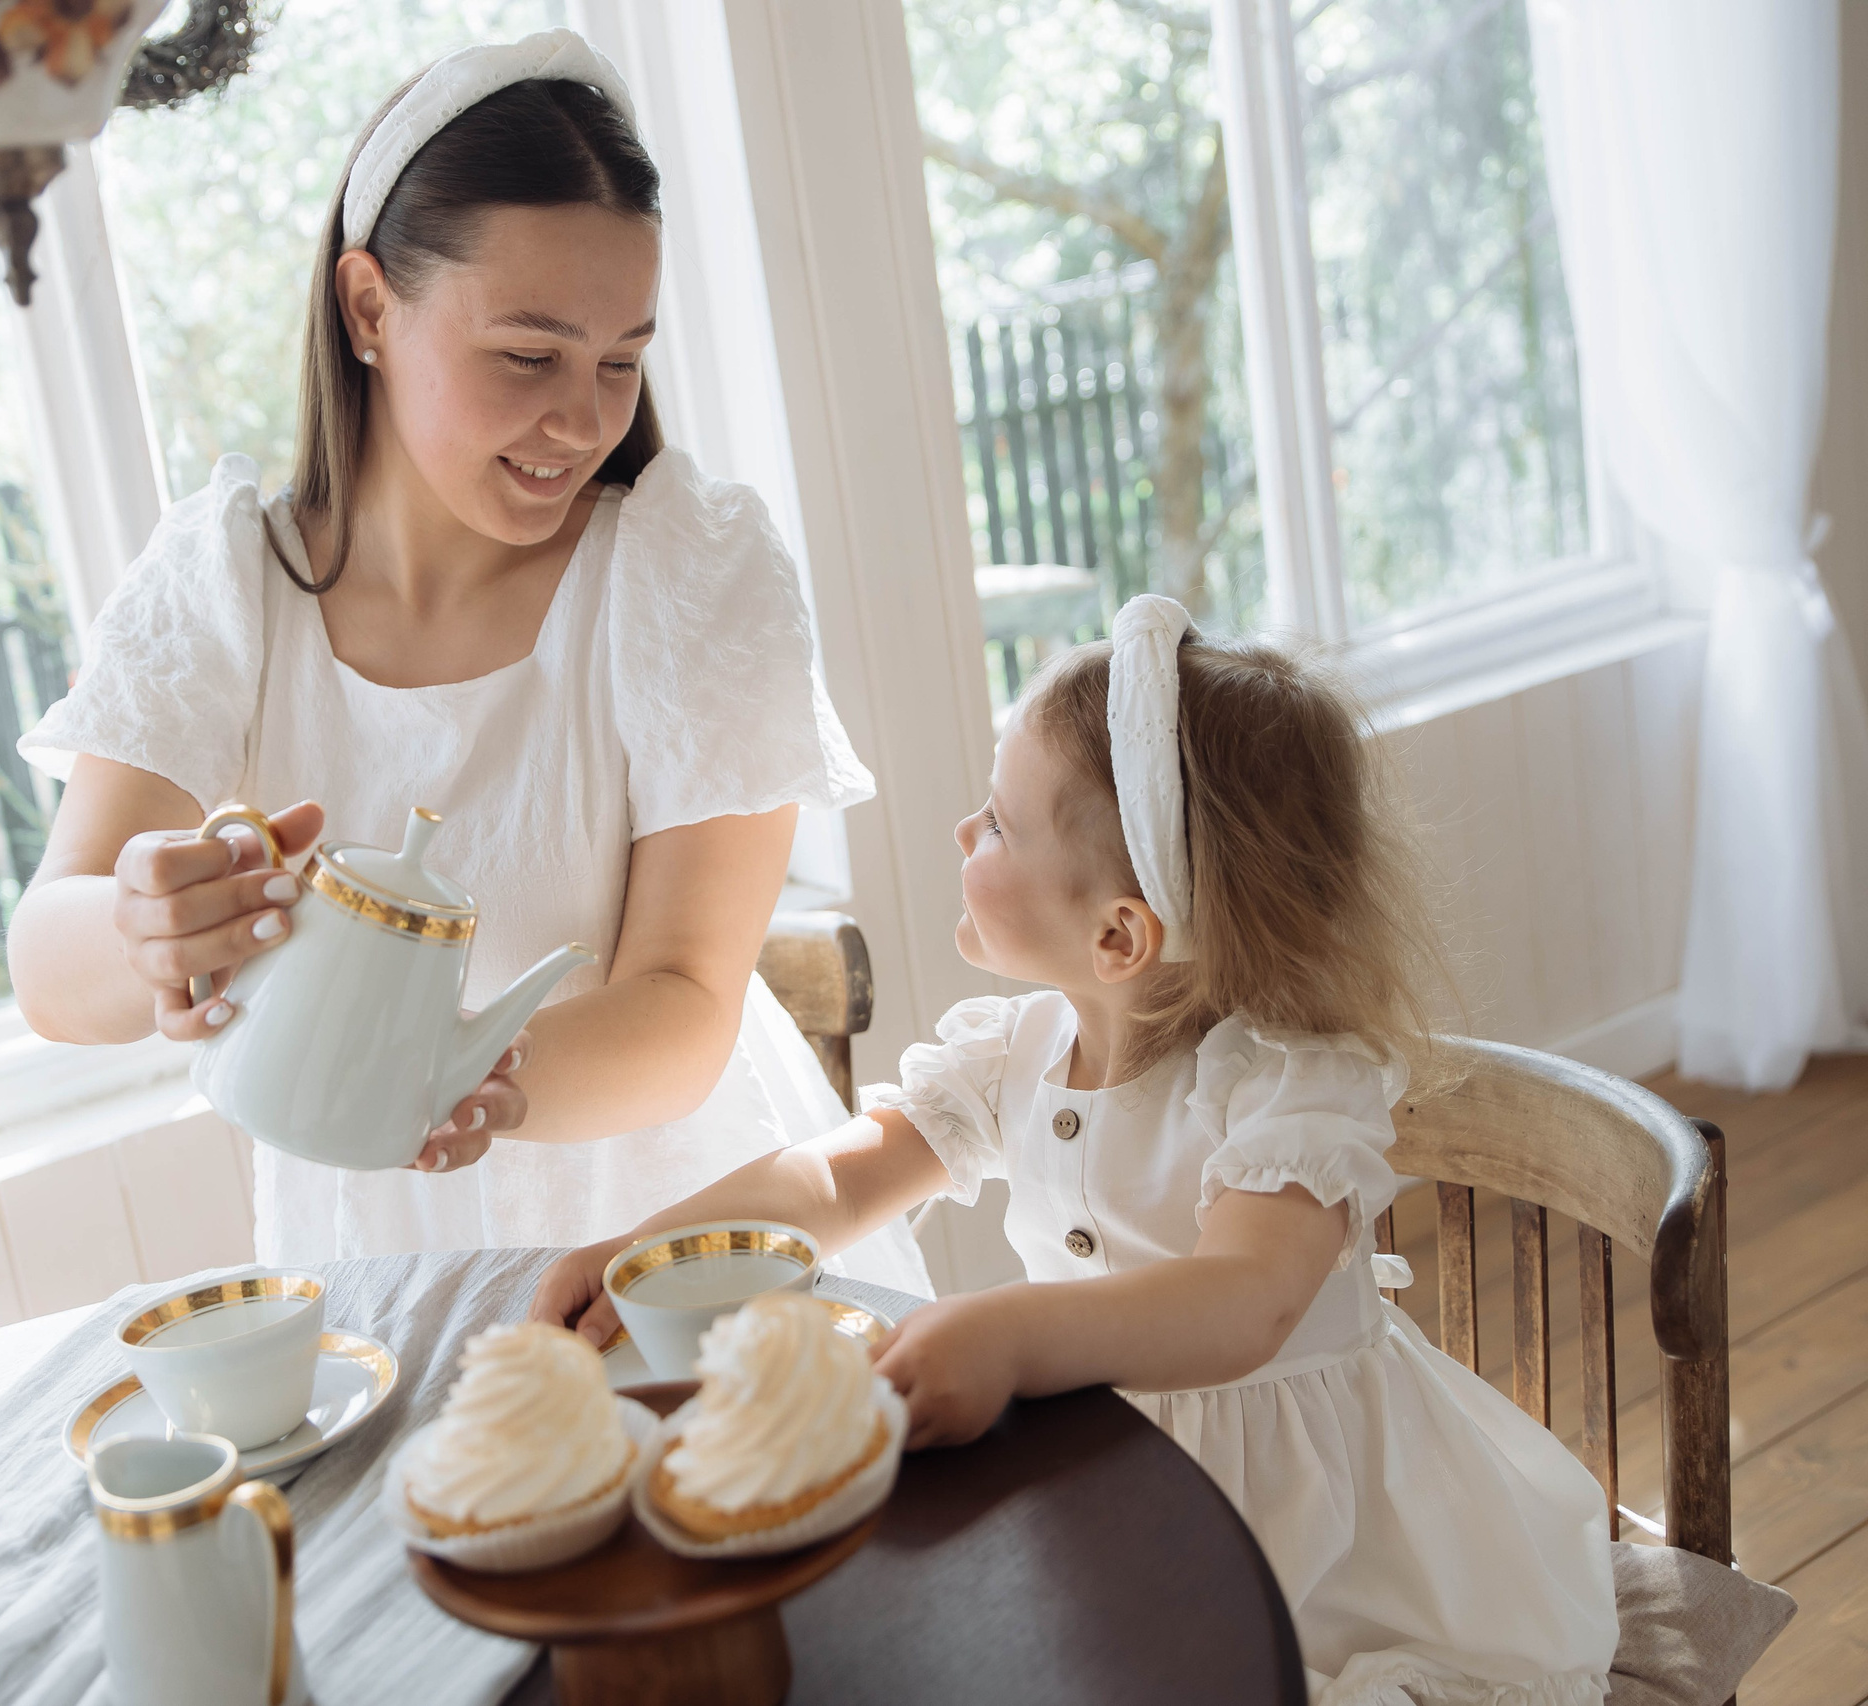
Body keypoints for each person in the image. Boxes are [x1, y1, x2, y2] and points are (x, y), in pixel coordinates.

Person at [533, 597, 1620, 1704]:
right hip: (1098, 1475)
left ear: (1117, 934)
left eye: (999, 823)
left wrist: (1006, 1331)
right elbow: (837, 1173)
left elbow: (1246, 1299)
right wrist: (649, 1241)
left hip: (1311, 1544)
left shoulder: (1284, 1082)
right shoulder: (1015, 1051)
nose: (965, 832)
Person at [8, 30, 929, 1293]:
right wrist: (145, 923)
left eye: (621, 360)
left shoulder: (685, 573)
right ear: (370, 306)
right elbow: (50, 971)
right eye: (528, 355)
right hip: (365, 1274)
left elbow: (682, 1007)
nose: (583, 418)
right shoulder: (229, 585)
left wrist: (464, 1075)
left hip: (671, 1250)